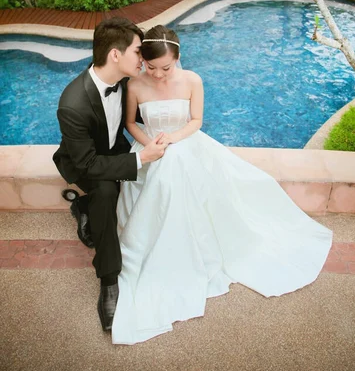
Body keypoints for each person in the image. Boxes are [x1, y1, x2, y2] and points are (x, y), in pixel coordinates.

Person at [111, 25, 333, 345]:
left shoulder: (192, 81)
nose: (158, 74)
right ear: (142, 61)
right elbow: (132, 123)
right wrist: (150, 148)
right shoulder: (134, 85)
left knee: (175, 164)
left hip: (185, 143)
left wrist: (171, 140)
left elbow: (196, 121)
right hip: (149, 148)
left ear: (178, 59)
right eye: (151, 67)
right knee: (165, 165)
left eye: (166, 68)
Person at [53, 17, 167, 332]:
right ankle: (108, 280)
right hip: (83, 162)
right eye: (137, 52)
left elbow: (148, 110)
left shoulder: (126, 80)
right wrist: (141, 158)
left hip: (112, 148)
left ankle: (83, 208)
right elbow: (88, 164)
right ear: (115, 55)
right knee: (105, 191)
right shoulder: (72, 104)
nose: (142, 59)